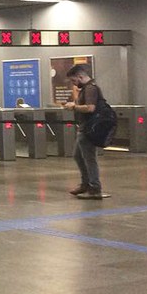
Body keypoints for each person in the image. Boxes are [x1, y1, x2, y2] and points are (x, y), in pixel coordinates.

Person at [63, 63, 106, 199]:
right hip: (84, 127)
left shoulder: (90, 89)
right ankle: (86, 184)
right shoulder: (86, 89)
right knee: (78, 155)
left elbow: (90, 108)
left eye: (74, 81)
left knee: (89, 158)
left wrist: (73, 107)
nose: (74, 84)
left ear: (80, 76)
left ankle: (94, 188)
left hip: (89, 129)